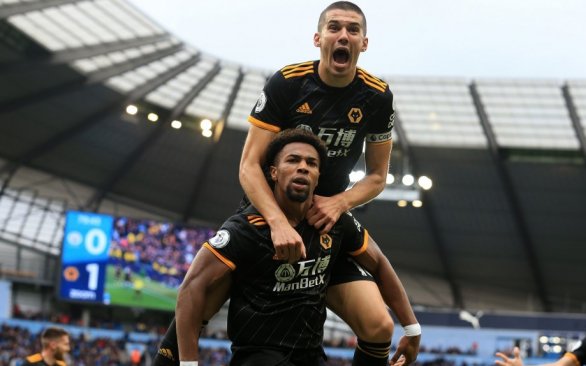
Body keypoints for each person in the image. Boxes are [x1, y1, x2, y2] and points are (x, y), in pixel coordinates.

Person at [154, 2, 414, 365]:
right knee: (198, 303)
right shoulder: (288, 83)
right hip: (268, 215)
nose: (343, 36)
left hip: (325, 220)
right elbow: (249, 166)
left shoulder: (377, 96)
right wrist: (276, 222)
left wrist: (338, 203)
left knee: (378, 325)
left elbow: (376, 176)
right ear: (318, 38)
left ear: (364, 43)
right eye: (334, 27)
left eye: (353, 30)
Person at [175, 129, 420, 365]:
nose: (303, 166)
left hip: (311, 355)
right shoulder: (246, 227)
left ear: (318, 177)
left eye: (311, 163)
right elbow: (191, 287)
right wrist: (188, 363)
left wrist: (412, 327)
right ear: (273, 172)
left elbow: (379, 264)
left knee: (380, 326)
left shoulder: (333, 222)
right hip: (260, 356)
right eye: (293, 160)